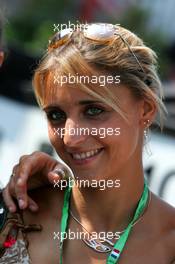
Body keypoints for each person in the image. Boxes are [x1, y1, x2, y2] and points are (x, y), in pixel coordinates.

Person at [1, 22, 175, 263]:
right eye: (56, 115)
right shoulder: (14, 217)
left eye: (93, 110)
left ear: (145, 110)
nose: (71, 138)